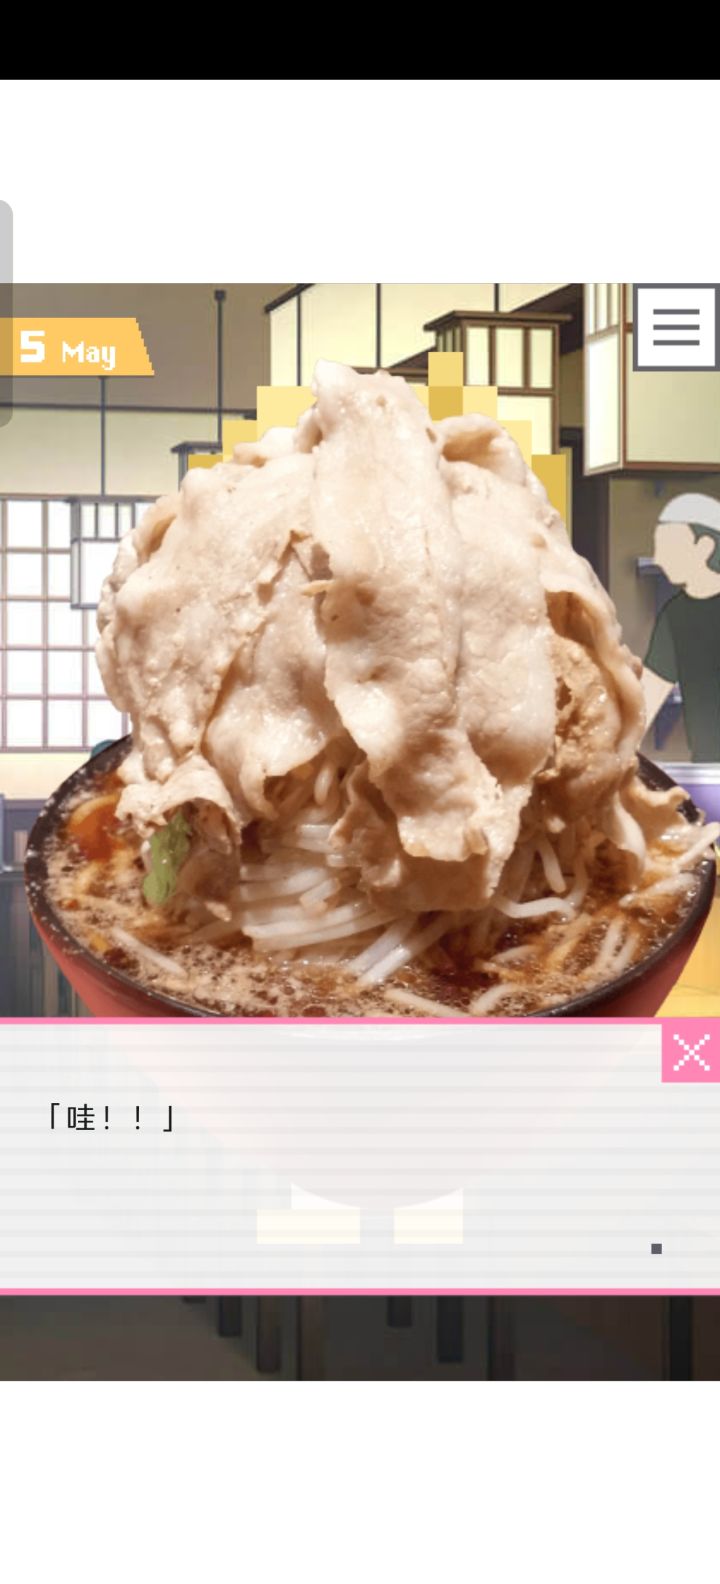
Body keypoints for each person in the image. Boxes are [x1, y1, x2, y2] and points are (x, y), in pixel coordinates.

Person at [642, 493, 720, 762]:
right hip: (709, 770)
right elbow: (647, 698)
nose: (658, 559)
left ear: (705, 546)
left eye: (669, 546)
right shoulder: (675, 615)